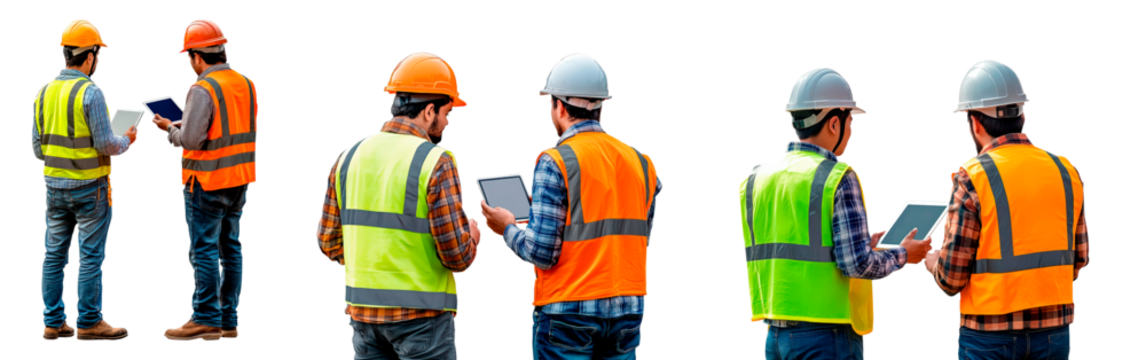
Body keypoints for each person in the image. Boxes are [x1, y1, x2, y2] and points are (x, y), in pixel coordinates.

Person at [742, 67, 933, 359]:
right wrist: (905, 255)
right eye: (851, 122)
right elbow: (856, 265)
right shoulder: (837, 177)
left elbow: (795, 242)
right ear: (834, 123)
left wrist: (864, 240)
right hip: (826, 337)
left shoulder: (756, 178)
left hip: (774, 335)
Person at [479, 52, 660, 360]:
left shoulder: (556, 161)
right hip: (628, 309)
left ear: (559, 106)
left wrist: (506, 228)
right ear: (601, 107)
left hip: (568, 310)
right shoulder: (643, 163)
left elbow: (542, 253)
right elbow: (641, 240)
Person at [316, 51, 480, 359]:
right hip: (424, 320)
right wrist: (472, 235)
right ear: (429, 110)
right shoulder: (437, 161)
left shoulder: (348, 156)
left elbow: (327, 243)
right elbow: (457, 256)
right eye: (447, 112)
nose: (448, 121)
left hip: (363, 317)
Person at [923, 59, 1088, 359]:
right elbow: (1080, 259)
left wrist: (930, 259)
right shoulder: (1067, 170)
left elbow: (950, 278)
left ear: (973, 121)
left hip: (988, 338)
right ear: (1022, 113)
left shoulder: (971, 177)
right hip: (1055, 333)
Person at [153, 19, 257, 341]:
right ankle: (228, 321)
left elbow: (192, 140)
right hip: (238, 180)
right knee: (231, 248)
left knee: (204, 251)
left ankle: (205, 320)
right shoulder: (246, 83)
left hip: (207, 182)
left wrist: (168, 129)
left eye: (188, 57)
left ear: (197, 55)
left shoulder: (202, 89)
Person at [36, 19, 136, 342]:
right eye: (98, 53)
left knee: (53, 254)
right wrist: (128, 140)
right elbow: (108, 145)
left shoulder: (44, 92)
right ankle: (90, 322)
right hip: (90, 188)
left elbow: (36, 148)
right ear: (90, 55)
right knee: (90, 255)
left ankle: (52, 323)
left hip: (53, 188)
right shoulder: (91, 93)